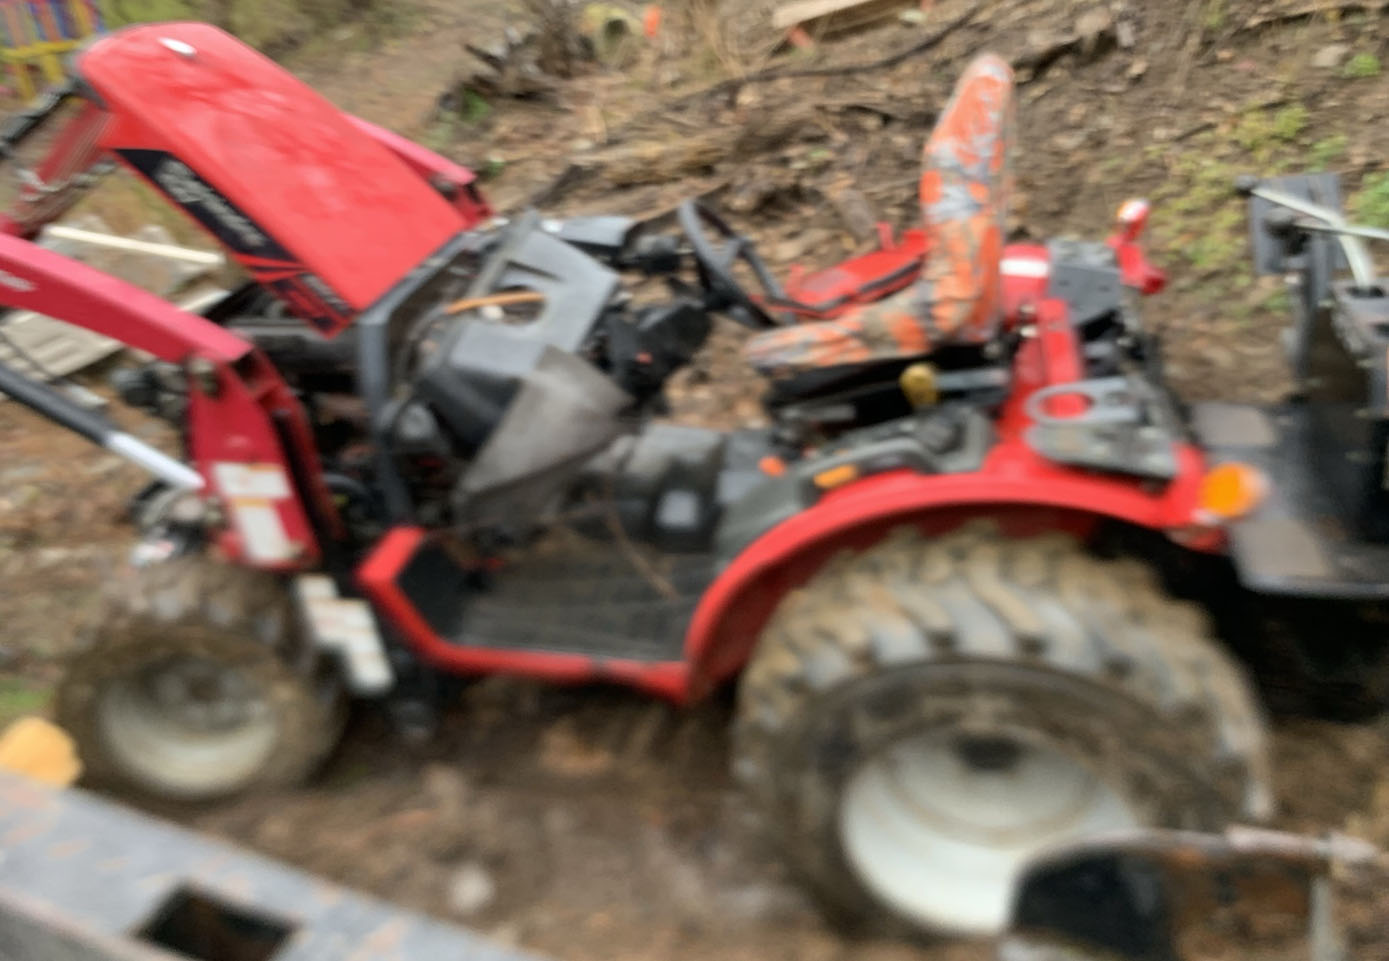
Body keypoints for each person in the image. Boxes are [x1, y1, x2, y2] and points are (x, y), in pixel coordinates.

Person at [744, 53, 1016, 376]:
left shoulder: (952, 173)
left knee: (762, 351)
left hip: (949, 314)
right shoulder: (969, 176)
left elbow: (941, 310)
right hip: (965, 285)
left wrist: (765, 351)